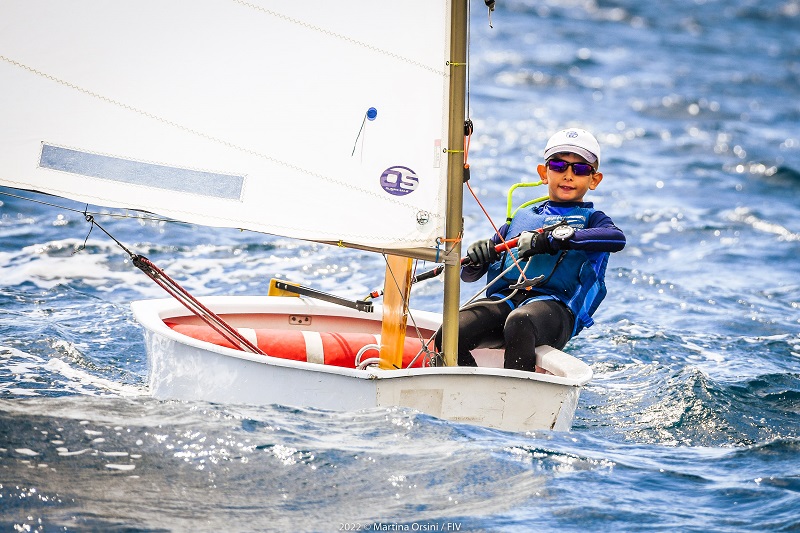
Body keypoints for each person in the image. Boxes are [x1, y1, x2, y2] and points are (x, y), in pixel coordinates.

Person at [442, 128, 626, 372]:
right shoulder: (520, 218)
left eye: (580, 169)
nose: (568, 175)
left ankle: (516, 400)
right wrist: (478, 258)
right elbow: (469, 275)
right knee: (451, 331)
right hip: (505, 300)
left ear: (594, 180)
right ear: (543, 173)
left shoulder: (594, 220)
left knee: (520, 322)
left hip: (556, 308)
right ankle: (469, 391)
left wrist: (556, 238)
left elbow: (616, 239)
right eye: (559, 166)